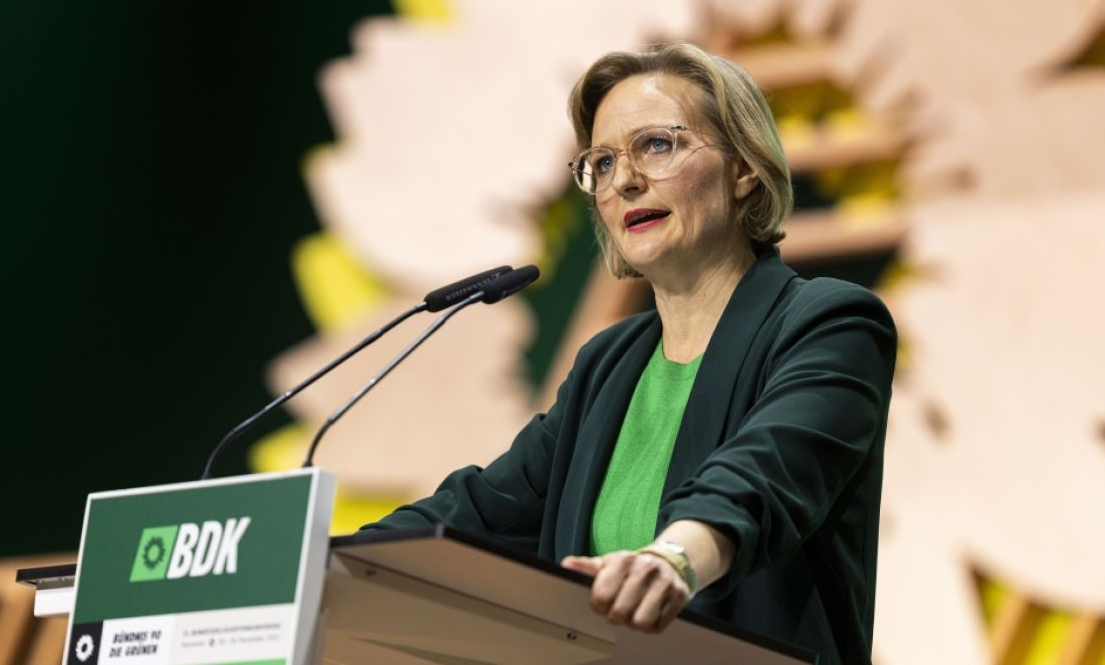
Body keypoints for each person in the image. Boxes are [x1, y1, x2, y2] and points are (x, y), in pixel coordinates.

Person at [363, 42, 896, 665]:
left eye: (657, 145)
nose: (625, 180)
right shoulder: (608, 366)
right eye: (603, 162)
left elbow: (765, 475)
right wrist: (314, 562)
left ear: (744, 167)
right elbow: (480, 509)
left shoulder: (829, 323)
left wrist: (674, 559)